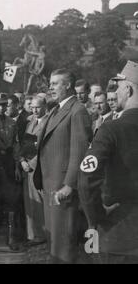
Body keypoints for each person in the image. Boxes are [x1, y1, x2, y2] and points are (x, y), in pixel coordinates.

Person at [78, 60, 138, 264]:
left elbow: (86, 178)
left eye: (119, 87)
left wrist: (96, 216)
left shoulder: (111, 129)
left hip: (118, 235)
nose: (117, 92)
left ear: (128, 90)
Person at [34, 69, 92, 263]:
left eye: (55, 83)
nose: (50, 87)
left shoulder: (77, 110)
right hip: (51, 183)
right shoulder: (56, 109)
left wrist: (69, 185)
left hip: (62, 187)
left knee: (63, 242)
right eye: (50, 83)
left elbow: (80, 152)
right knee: (54, 238)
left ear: (68, 86)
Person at [0, 95, 22, 249]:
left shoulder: (12, 123)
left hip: (8, 161)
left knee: (11, 197)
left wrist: (16, 165)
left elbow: (16, 144)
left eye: (4, 105)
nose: (1, 108)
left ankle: (11, 236)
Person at [20, 96, 47, 247]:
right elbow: (25, 144)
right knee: (30, 202)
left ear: (44, 106)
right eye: (32, 107)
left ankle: (41, 234)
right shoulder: (30, 122)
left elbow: (45, 147)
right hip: (27, 167)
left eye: (37, 107)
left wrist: (31, 163)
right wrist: (22, 160)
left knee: (39, 202)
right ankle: (32, 235)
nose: (35, 110)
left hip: (38, 168)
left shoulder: (48, 122)